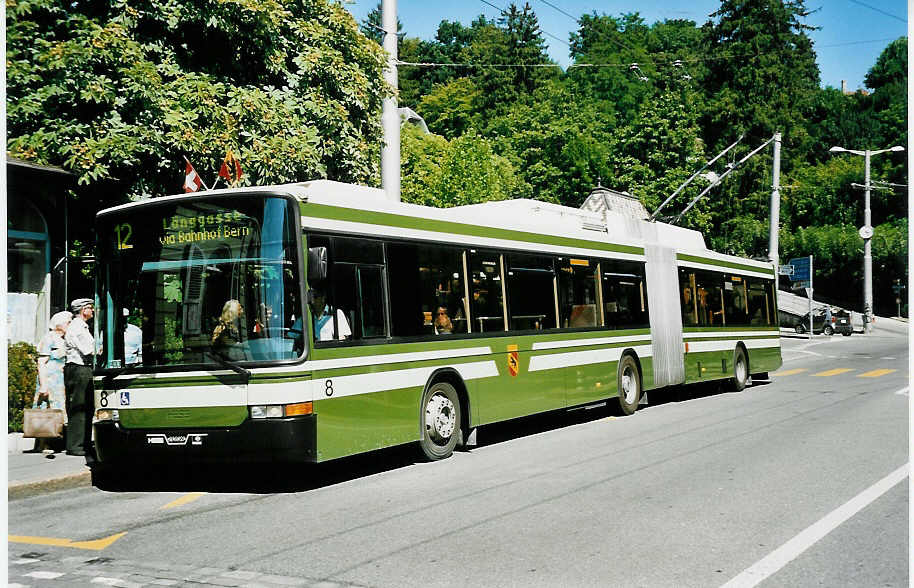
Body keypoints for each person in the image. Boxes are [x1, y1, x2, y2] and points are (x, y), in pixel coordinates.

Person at [34, 311, 72, 455]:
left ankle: (57, 442)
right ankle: (43, 444)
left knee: (59, 411)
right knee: (47, 411)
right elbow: (41, 363)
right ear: (58, 324)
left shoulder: (65, 339)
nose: (69, 325)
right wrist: (44, 385)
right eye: (68, 322)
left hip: (61, 380)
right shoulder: (48, 339)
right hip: (50, 379)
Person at [64, 298, 98, 457]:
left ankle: (81, 443)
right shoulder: (78, 327)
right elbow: (90, 350)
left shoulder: (80, 326)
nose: (92, 310)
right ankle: (76, 445)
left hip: (78, 369)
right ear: (83, 310)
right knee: (81, 406)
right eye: (90, 308)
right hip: (80, 369)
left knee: (84, 406)